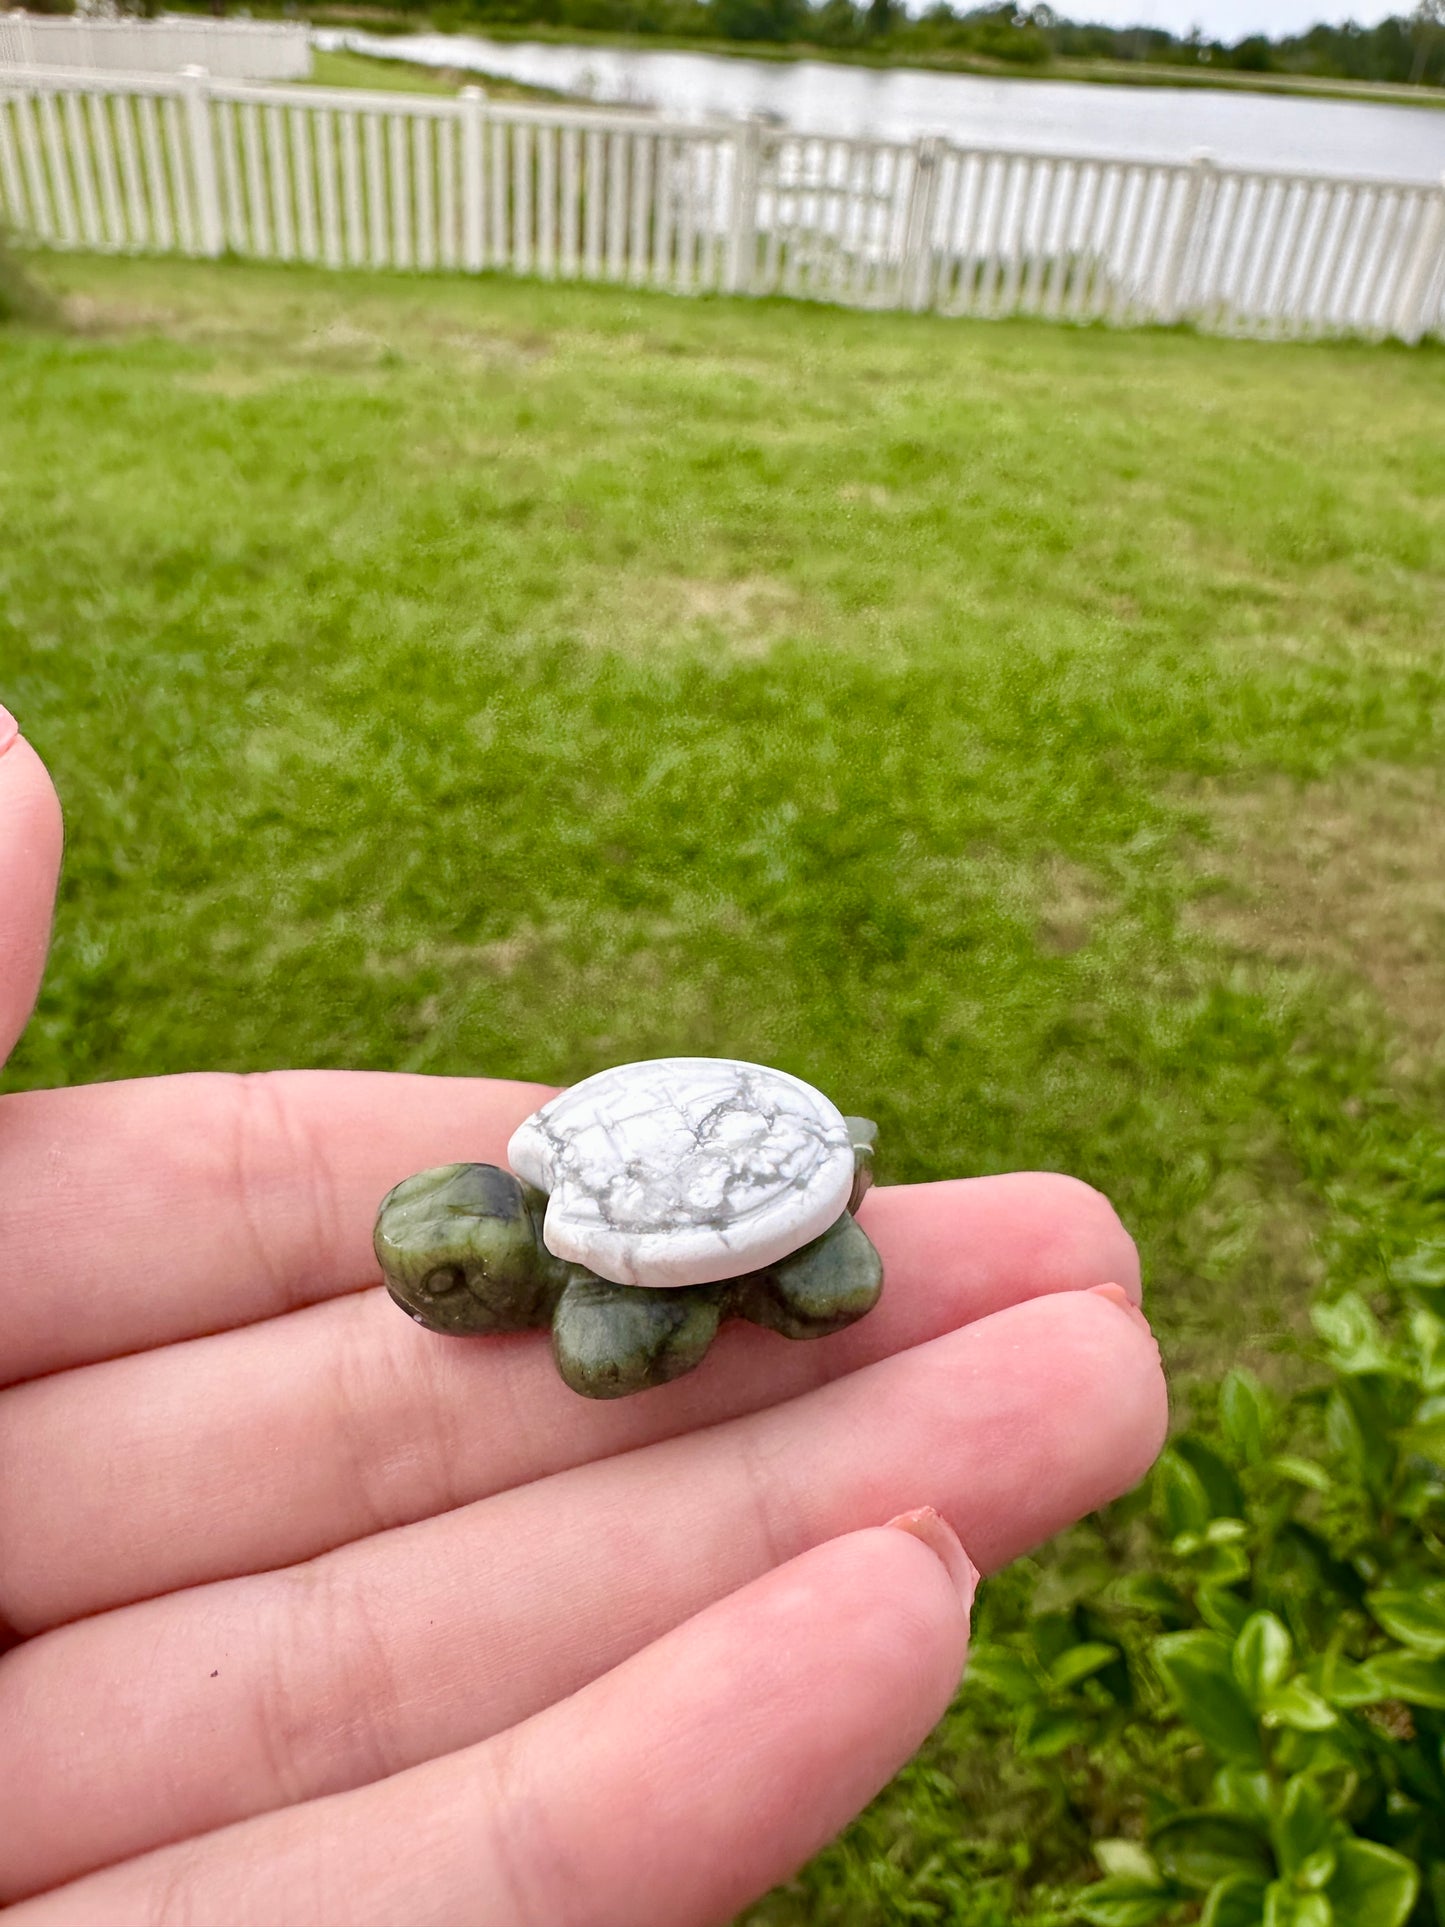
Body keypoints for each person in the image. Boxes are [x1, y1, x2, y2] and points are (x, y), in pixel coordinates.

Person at [0, 712, 1166, 1927]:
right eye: (417, 1266)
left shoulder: (588, 1301)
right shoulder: (548, 1196)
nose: (416, 1296)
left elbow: (613, 1344)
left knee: (784, 1299)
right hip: (702, 1151)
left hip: (757, 1177)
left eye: (444, 1282)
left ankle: (777, 1265)